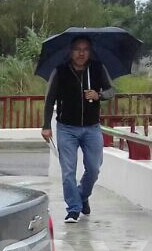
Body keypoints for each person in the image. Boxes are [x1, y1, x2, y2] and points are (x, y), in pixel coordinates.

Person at [41, 35, 115, 223]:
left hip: (91, 128)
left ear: (90, 52)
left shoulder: (97, 68)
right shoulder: (60, 71)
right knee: (68, 171)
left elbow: (111, 91)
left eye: (85, 49)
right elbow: (49, 100)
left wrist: (98, 95)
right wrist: (46, 126)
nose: (81, 53)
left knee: (94, 168)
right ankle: (73, 208)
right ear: (71, 51)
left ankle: (82, 196)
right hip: (67, 128)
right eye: (77, 49)